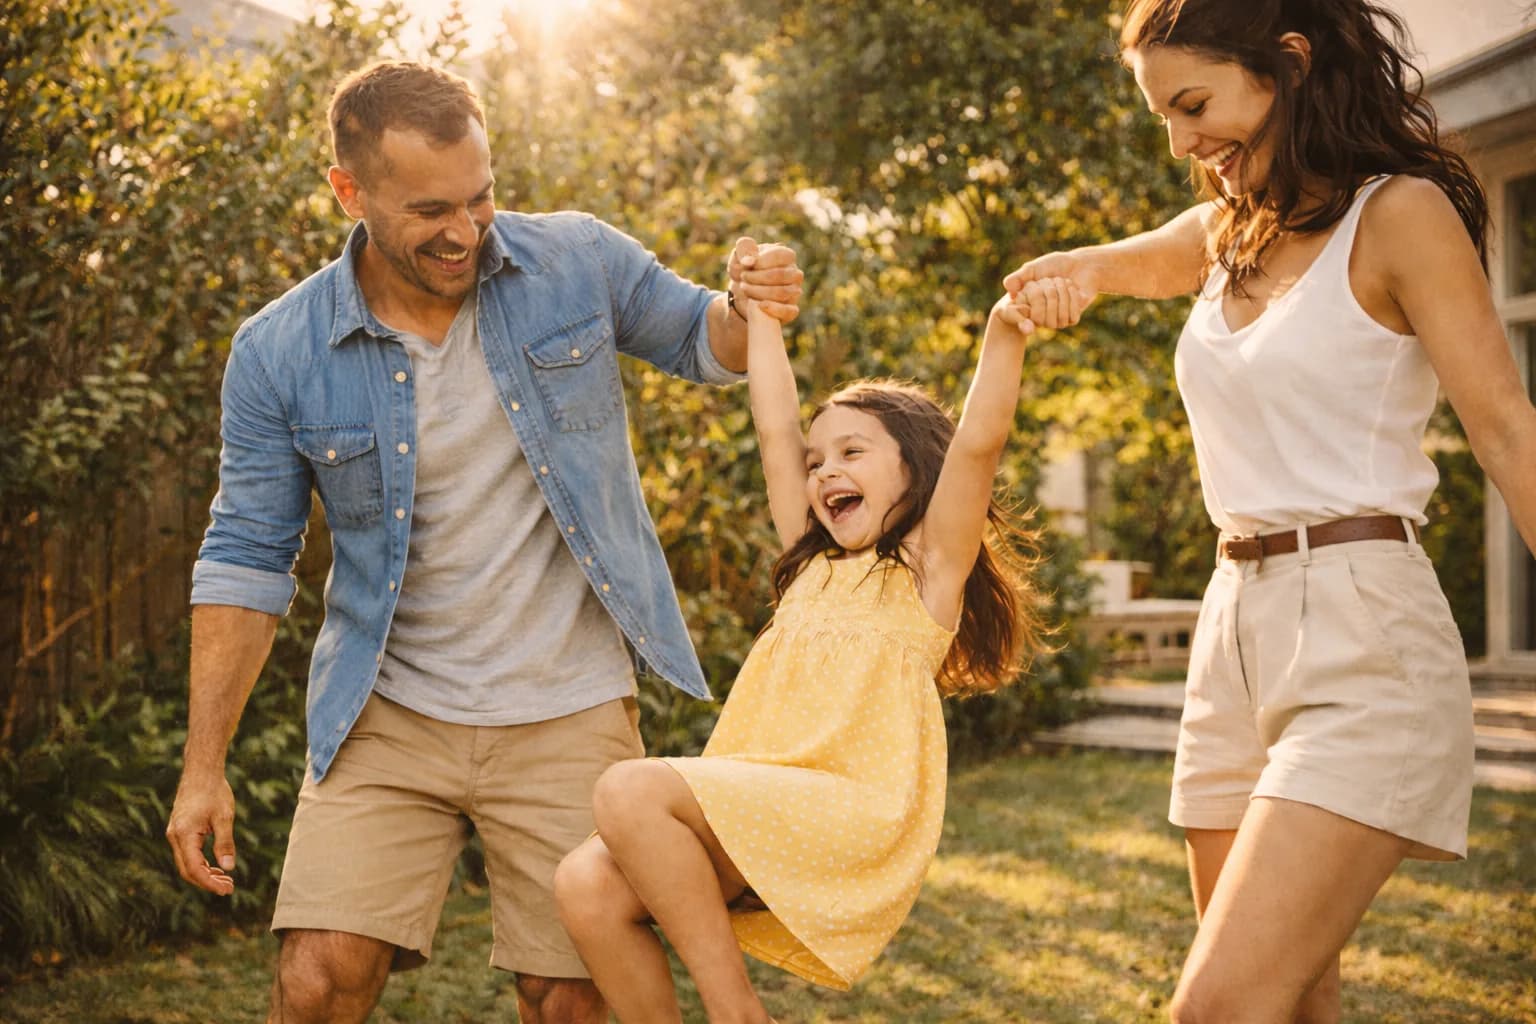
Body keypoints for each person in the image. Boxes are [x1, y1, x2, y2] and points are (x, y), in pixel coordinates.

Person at [163, 60, 804, 1024]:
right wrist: (202, 766)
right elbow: (248, 558)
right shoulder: (278, 350)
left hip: (567, 703)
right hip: (387, 710)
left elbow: (704, 338)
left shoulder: (576, 260)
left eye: (482, 196)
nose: (464, 231)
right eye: (429, 210)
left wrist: (752, 302)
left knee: (570, 996)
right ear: (349, 192)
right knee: (318, 980)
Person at [1005, 2, 1536, 1021]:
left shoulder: (1399, 215)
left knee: (1215, 1008)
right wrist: (1071, 273)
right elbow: (1147, 259)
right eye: (1164, 117)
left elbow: (1508, 429)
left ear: (1288, 64)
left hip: (1362, 631)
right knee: (1291, 1006)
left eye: (1195, 103)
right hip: (1230, 630)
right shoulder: (1228, 232)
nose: (1182, 142)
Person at [553, 241, 1081, 1023]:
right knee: (584, 883)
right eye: (818, 460)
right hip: (762, 797)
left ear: (915, 472)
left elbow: (978, 442)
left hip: (850, 806)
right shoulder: (807, 560)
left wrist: (1006, 330)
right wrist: (758, 312)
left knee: (627, 788)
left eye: (853, 453)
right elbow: (773, 425)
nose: (826, 470)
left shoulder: (929, 570)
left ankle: (739, 1014)